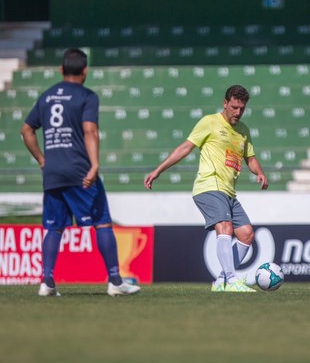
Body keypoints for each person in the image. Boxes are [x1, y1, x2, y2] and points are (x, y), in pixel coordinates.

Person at [21, 48, 141, 297]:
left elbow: (26, 131)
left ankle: (47, 282)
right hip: (79, 171)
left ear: (61, 70)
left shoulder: (46, 96)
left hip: (52, 172)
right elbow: (90, 131)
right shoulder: (87, 96)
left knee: (53, 228)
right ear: (85, 71)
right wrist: (94, 164)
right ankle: (116, 281)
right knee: (102, 222)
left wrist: (43, 160)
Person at [144, 85, 269, 292]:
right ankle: (231, 279)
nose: (238, 112)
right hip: (209, 186)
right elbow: (185, 148)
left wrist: (260, 173)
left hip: (229, 192)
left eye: (242, 109)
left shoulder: (243, 131)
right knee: (226, 227)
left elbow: (251, 158)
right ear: (225, 103)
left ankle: (221, 281)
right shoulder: (209, 122)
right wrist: (158, 170)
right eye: (234, 107)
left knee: (246, 234)